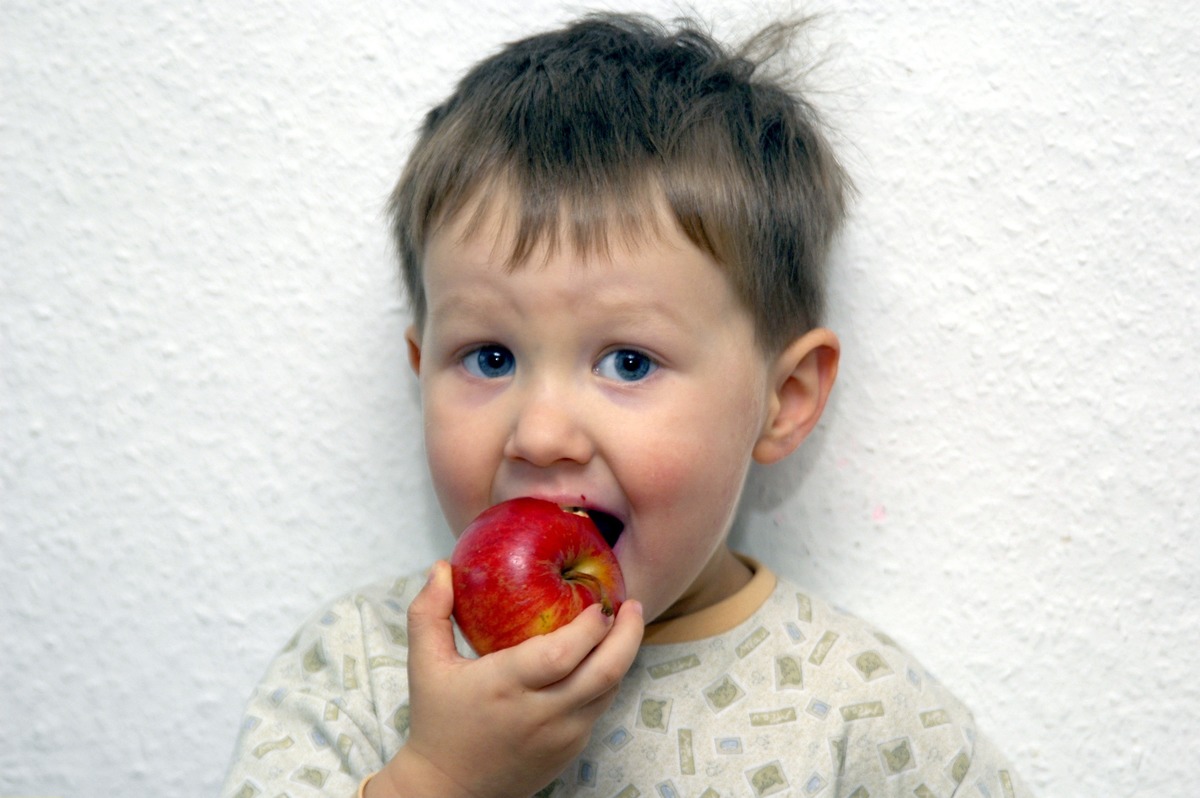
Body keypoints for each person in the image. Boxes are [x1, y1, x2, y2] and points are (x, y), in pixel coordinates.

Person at [221, 12, 1032, 797]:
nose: (540, 434)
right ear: (419, 371)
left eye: (629, 361)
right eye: (489, 358)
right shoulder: (356, 673)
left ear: (782, 400)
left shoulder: (863, 713)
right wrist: (440, 782)